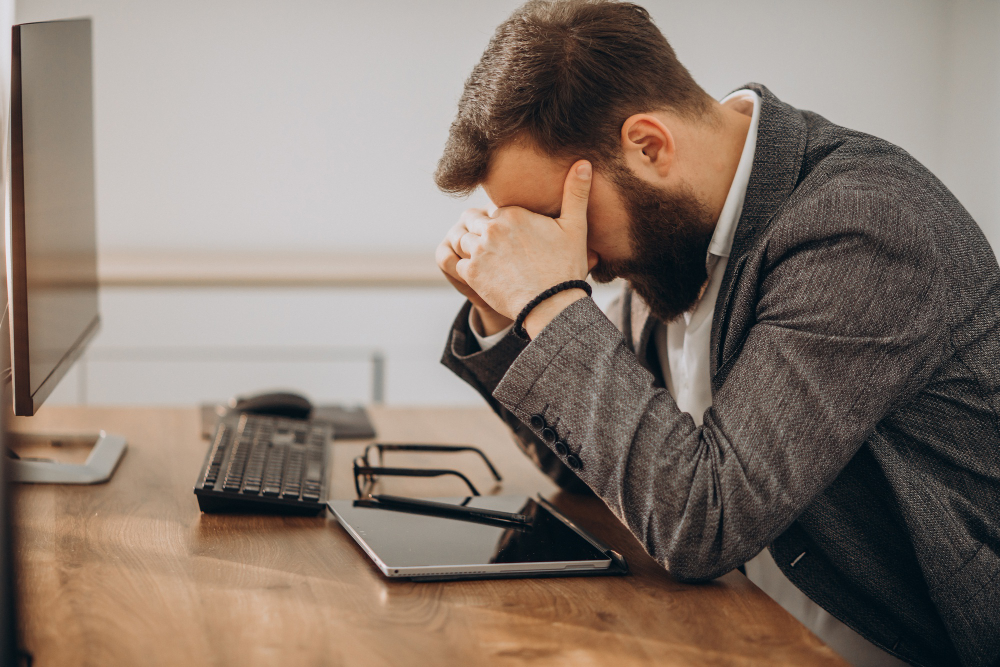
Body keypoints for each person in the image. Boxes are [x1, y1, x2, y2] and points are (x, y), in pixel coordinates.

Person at [432, 1, 1000, 666]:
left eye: (564, 216)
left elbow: (702, 521)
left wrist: (550, 301)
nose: (575, 255)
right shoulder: (675, 234)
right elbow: (593, 470)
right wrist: (503, 313)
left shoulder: (864, 225)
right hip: (742, 626)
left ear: (648, 146)